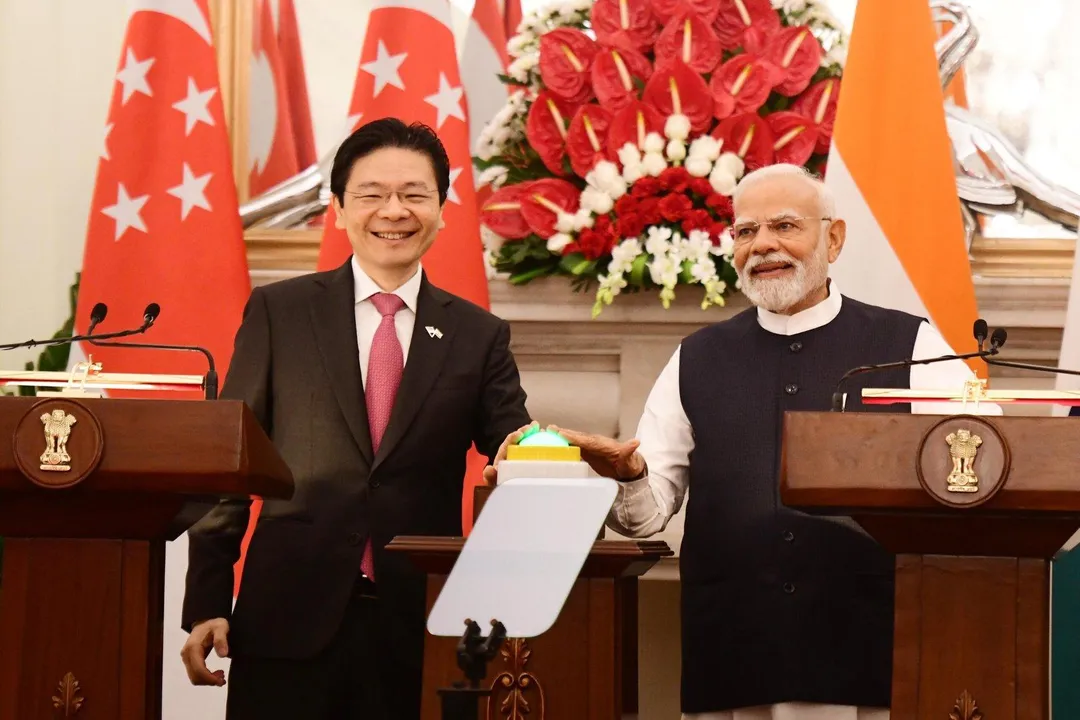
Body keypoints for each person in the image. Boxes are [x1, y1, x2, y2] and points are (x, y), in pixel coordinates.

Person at [489, 163, 1001, 720]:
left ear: (833, 239)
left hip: (866, 650)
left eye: (785, 226)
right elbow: (645, 515)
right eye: (746, 231)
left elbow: (989, 457)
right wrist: (625, 473)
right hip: (734, 652)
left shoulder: (909, 345)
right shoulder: (697, 358)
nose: (763, 245)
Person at [179, 117, 533, 720]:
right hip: (288, 617)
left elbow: (515, 453)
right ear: (339, 209)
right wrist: (208, 600)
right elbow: (229, 466)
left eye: (414, 194)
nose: (394, 211)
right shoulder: (280, 313)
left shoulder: (479, 335)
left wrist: (560, 461)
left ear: (442, 210)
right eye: (372, 194)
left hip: (422, 624)